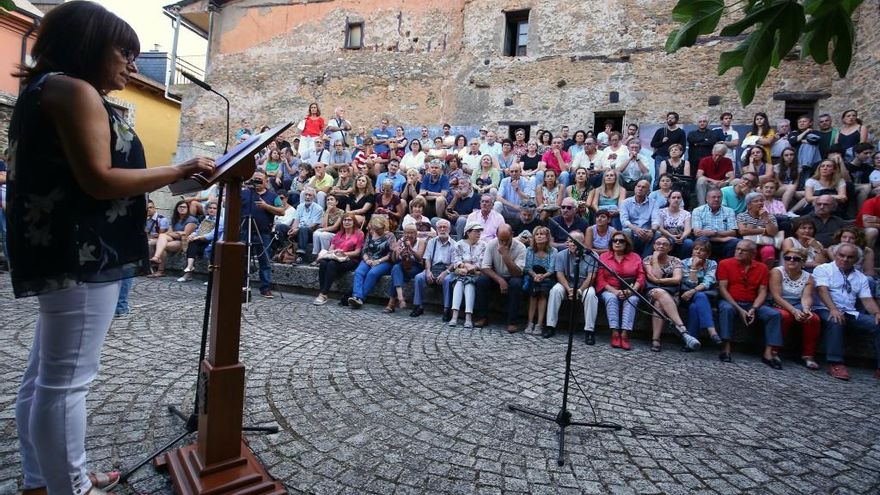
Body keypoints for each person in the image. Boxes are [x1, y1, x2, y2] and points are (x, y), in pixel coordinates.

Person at [8, 3, 215, 494]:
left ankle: (46, 479)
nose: (130, 62)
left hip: (69, 247)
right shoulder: (73, 90)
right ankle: (71, 487)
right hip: (81, 251)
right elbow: (100, 179)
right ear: (86, 44)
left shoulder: (51, 88)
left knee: (46, 374)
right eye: (123, 50)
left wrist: (174, 176)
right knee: (65, 382)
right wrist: (181, 170)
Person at [813, 244, 880, 380]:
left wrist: (877, 313)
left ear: (856, 260)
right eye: (841, 255)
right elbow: (822, 290)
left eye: (850, 257)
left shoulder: (860, 277)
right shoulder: (823, 269)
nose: (845, 259)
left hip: (850, 312)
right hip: (825, 308)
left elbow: (867, 299)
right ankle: (835, 363)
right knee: (835, 319)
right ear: (836, 255)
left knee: (878, 323)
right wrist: (833, 309)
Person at [716, 240, 783, 368]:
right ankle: (726, 347)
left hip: (752, 303)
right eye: (737, 249)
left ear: (753, 254)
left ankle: (769, 353)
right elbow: (723, 289)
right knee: (727, 309)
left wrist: (754, 308)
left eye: (743, 250)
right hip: (731, 301)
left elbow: (763, 291)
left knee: (774, 315)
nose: (739, 252)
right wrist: (739, 309)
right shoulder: (725, 263)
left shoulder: (762, 267)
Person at [643, 236, 702, 352]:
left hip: (672, 295)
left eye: (664, 244)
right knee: (659, 292)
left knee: (659, 304)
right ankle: (683, 330)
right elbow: (657, 275)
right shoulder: (648, 259)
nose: (661, 246)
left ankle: (656, 340)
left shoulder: (676, 260)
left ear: (670, 248)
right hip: (651, 292)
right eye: (658, 243)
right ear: (654, 246)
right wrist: (655, 259)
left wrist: (658, 281)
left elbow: (677, 279)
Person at [769, 247, 822, 370]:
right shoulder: (777, 272)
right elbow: (776, 296)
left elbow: (806, 297)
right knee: (785, 316)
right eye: (788, 258)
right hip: (777, 302)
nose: (791, 261)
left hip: (797, 303)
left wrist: (806, 309)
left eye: (796, 259)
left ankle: (808, 355)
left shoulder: (808, 277)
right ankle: (774, 351)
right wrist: (793, 311)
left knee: (813, 319)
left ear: (803, 262)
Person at [546, 231, 599, 343]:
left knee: (590, 295)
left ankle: (589, 331)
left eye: (576, 241)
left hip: (584, 285)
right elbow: (559, 274)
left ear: (583, 243)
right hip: (567, 284)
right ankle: (550, 326)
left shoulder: (592, 255)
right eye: (570, 241)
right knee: (555, 291)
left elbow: (592, 276)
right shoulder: (561, 255)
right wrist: (568, 289)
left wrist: (579, 290)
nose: (572, 244)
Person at [596, 232, 645, 350]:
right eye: (615, 240)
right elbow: (600, 279)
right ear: (611, 243)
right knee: (611, 298)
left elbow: (641, 276)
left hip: (630, 289)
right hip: (610, 289)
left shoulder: (635, 257)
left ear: (626, 243)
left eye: (621, 241)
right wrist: (615, 291)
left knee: (632, 299)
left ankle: (625, 333)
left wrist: (632, 291)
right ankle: (615, 332)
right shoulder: (604, 257)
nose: (617, 243)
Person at [474, 224, 527, 332]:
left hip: (513, 276)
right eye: (500, 240)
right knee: (481, 281)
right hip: (496, 276)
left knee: (516, 284)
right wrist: (500, 280)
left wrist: (506, 256)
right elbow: (485, 267)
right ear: (496, 235)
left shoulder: (520, 247)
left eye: (506, 240)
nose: (503, 243)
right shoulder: (491, 244)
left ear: (512, 235)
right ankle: (482, 317)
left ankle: (512, 321)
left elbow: (518, 273)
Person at [313, 214, 364, 305]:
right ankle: (323, 293)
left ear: (354, 222)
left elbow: (357, 252)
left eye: (349, 220)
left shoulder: (359, 234)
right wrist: (335, 251)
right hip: (337, 257)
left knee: (332, 264)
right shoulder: (339, 234)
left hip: (351, 260)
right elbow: (330, 249)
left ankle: (323, 293)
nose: (346, 222)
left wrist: (344, 253)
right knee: (324, 263)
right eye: (344, 220)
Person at [348, 216, 397, 308]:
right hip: (368, 258)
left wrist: (378, 261)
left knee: (372, 273)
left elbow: (390, 254)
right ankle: (356, 296)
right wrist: (367, 259)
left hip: (384, 261)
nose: (375, 231)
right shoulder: (370, 234)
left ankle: (360, 298)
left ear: (383, 227)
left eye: (378, 229)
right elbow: (364, 250)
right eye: (374, 228)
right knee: (359, 272)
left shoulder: (390, 236)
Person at [411, 219, 455, 319]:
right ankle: (418, 306)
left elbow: (454, 263)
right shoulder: (432, 242)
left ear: (449, 229)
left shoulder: (454, 244)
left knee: (448, 280)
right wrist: (427, 271)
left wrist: (445, 273)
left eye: (445, 227)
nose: (442, 229)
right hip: (433, 268)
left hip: (447, 270)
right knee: (419, 277)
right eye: (440, 227)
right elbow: (427, 258)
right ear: (436, 229)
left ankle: (447, 309)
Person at [680, 238, 721, 344]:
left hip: (705, 296)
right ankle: (712, 331)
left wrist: (693, 291)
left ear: (708, 254)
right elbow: (690, 284)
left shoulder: (712, 263)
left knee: (696, 304)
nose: (697, 252)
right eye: (695, 249)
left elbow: (708, 282)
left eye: (702, 250)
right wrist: (693, 268)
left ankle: (691, 342)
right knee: (699, 297)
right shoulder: (683, 263)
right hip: (686, 296)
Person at [448, 222, 487, 327]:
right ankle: (454, 316)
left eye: (479, 232)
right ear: (468, 232)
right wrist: (463, 265)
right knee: (459, 284)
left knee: (469, 285)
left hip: (475, 274)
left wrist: (472, 267)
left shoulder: (483, 245)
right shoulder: (459, 244)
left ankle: (468, 317)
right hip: (461, 273)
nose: (478, 234)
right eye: (476, 231)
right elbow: (456, 260)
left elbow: (482, 262)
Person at [148, 200, 199, 277]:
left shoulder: (191, 220)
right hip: (174, 240)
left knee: (161, 244)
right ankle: (157, 262)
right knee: (162, 236)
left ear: (188, 209)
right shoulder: (175, 218)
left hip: (185, 242)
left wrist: (176, 234)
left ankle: (158, 266)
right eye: (180, 207)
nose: (182, 208)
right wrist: (178, 233)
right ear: (177, 208)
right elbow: (169, 232)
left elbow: (184, 235)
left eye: (184, 207)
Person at [385, 224, 426, 313]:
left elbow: (420, 258)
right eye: (407, 233)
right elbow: (394, 260)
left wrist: (410, 248)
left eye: (412, 233)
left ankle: (391, 302)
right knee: (396, 267)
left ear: (416, 233)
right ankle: (400, 298)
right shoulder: (400, 241)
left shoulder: (421, 242)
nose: (409, 235)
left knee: (395, 273)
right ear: (404, 233)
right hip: (402, 265)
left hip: (416, 266)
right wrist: (396, 252)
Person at [523, 226, 556, 336]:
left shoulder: (552, 251)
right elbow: (527, 267)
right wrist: (535, 275)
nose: (539, 236)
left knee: (542, 293)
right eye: (537, 234)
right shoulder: (529, 250)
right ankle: (530, 322)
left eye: (542, 234)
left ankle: (539, 323)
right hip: (533, 276)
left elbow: (552, 269)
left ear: (547, 237)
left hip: (547, 277)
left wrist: (543, 276)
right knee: (534, 292)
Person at [692, 187, 739, 259]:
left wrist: (714, 233)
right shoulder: (698, 210)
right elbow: (697, 233)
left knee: (736, 242)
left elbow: (733, 232)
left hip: (724, 243)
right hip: (708, 241)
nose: (716, 199)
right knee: (702, 240)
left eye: (719, 197)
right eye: (713, 197)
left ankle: (725, 265)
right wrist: (722, 238)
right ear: (707, 199)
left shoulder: (729, 211)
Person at [178, 201, 218, 282]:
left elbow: (212, 235)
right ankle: (189, 269)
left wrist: (198, 237)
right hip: (202, 240)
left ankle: (212, 278)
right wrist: (193, 235)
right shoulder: (205, 218)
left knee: (210, 250)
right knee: (192, 243)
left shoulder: (220, 220)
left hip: (213, 242)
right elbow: (198, 230)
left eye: (214, 208)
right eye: (210, 208)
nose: (212, 210)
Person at [737, 192, 779, 267]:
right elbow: (743, 231)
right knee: (747, 249)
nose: (760, 203)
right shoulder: (742, 216)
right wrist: (764, 230)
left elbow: (773, 232)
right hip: (748, 244)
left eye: (761, 201)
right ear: (749, 205)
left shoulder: (770, 217)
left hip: (765, 243)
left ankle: (766, 272)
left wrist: (766, 218)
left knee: (768, 250)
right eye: (756, 201)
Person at [651, 190, 692, 259]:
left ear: (681, 200)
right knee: (670, 241)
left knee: (689, 243)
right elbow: (659, 227)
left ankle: (683, 263)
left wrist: (682, 237)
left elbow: (688, 229)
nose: (676, 200)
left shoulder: (686, 213)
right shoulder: (661, 212)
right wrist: (672, 236)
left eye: (678, 198)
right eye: (673, 197)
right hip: (665, 236)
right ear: (669, 199)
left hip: (681, 238)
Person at [619, 179, 656, 255]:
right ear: (635, 188)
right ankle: (629, 257)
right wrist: (635, 229)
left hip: (646, 233)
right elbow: (624, 220)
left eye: (643, 187)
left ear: (648, 191)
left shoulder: (653, 202)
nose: (640, 189)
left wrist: (652, 231)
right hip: (631, 231)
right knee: (626, 231)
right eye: (638, 186)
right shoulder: (626, 202)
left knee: (657, 233)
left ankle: (645, 259)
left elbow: (656, 220)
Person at [287, 187, 324, 263]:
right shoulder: (300, 206)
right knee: (280, 227)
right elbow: (296, 220)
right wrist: (294, 229)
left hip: (309, 233)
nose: (307, 197)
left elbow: (314, 226)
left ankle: (301, 256)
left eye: (310, 195)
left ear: (314, 197)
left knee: (303, 229)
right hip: (298, 231)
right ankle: (281, 251)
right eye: (306, 195)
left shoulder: (318, 209)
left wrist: (298, 229)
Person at [650, 111, 687, 181]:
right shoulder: (660, 131)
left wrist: (677, 158)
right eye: (668, 118)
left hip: (673, 158)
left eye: (672, 118)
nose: (669, 119)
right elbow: (653, 144)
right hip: (660, 157)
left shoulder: (681, 132)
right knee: (659, 178)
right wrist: (662, 142)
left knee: (671, 178)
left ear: (676, 120)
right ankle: (656, 192)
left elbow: (683, 147)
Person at [310, 194, 343, 263]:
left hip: (337, 235)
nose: (329, 201)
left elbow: (335, 227)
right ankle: (315, 255)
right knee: (316, 233)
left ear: (336, 202)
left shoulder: (341, 212)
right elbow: (324, 226)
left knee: (323, 234)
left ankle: (324, 257)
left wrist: (321, 229)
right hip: (327, 232)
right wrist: (327, 211)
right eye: (327, 200)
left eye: (331, 199)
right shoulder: (326, 212)